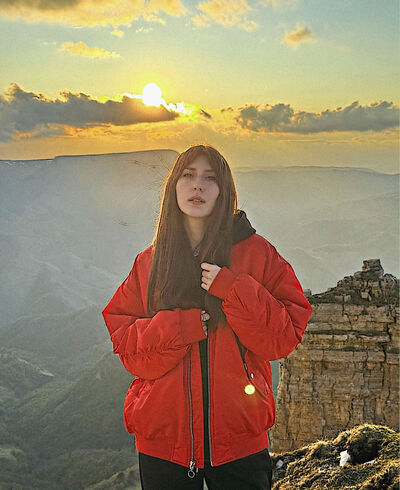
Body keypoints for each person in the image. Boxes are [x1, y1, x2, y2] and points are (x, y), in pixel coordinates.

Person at [102, 144, 313, 489]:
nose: (197, 185)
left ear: (224, 191)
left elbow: (285, 335)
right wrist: (182, 327)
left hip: (240, 440)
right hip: (164, 443)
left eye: (210, 178)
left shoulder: (258, 254)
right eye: (188, 175)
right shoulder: (150, 261)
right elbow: (125, 341)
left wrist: (232, 288)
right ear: (173, 186)